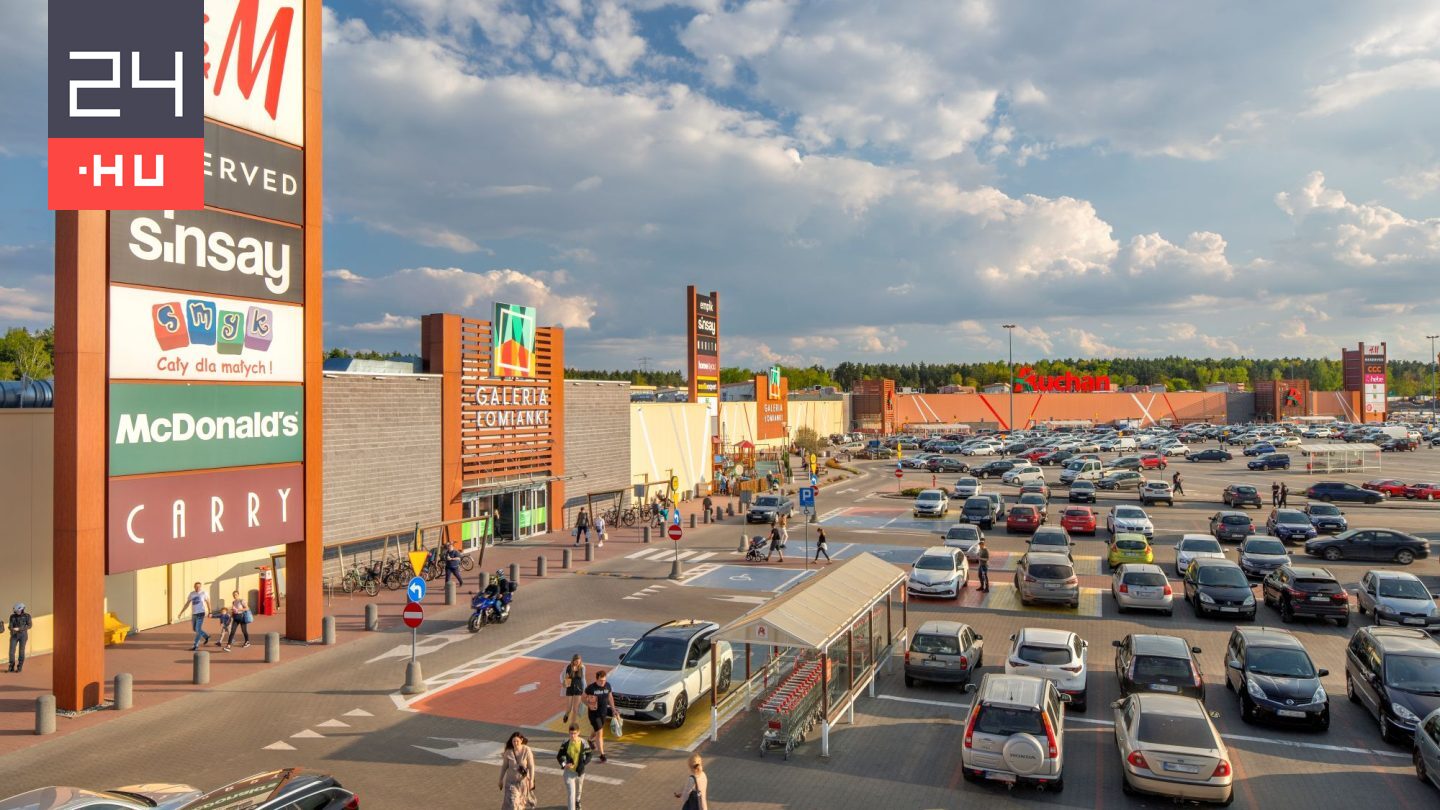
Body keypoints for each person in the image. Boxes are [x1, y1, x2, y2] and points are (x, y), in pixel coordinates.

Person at [556, 724, 592, 810]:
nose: (572, 735)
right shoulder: (565, 743)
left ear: (578, 732)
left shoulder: (584, 743)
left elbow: (589, 755)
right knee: (571, 793)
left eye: (574, 733)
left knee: (579, 790)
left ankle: (578, 801)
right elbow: (559, 756)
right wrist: (564, 765)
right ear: (569, 733)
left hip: (580, 772)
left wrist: (583, 763)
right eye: (571, 733)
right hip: (569, 772)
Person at [584, 669, 618, 763]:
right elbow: (583, 697)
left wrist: (613, 709)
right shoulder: (591, 688)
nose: (603, 682)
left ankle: (590, 740)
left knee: (597, 730)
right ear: (596, 679)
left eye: (604, 680)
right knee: (600, 733)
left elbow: (610, 697)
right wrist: (588, 704)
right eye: (601, 681)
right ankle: (602, 755)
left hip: (603, 713)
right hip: (594, 714)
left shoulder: (608, 685)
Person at [499, 731, 536, 810]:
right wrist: (500, 779)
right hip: (511, 783)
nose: (515, 743)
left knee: (520, 805)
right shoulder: (508, 752)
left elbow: (531, 766)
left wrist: (531, 780)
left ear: (521, 740)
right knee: (513, 804)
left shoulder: (526, 750)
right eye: (513, 741)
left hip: (523, 783)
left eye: (517, 741)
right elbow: (504, 766)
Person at [177, 582, 211, 651]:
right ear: (194, 587)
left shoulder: (204, 593)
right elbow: (187, 603)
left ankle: (195, 646)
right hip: (194, 614)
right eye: (196, 587)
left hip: (201, 613)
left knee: (198, 629)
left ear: (201, 587)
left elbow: (208, 602)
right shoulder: (192, 594)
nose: (198, 588)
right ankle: (206, 636)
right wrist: (181, 612)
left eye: (199, 587)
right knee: (194, 629)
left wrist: (210, 612)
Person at [6, 603, 32, 673]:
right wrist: (12, 629)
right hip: (14, 635)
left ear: (22, 610)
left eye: (18, 611)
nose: (17, 612)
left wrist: (19, 628)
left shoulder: (27, 616)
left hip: (23, 635)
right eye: (16, 611)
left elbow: (29, 625)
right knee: (11, 651)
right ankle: (11, 666)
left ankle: (20, 666)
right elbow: (10, 625)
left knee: (21, 651)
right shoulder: (12, 616)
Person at [562, 655, 586, 724]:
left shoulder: (582, 667)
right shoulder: (569, 667)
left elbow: (583, 679)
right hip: (570, 689)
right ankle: (566, 714)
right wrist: (566, 683)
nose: (577, 663)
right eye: (576, 661)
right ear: (573, 661)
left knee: (575, 709)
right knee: (569, 708)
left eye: (579, 662)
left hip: (578, 689)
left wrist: (584, 689)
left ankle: (573, 723)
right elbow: (567, 679)